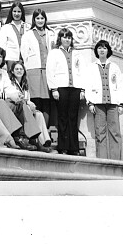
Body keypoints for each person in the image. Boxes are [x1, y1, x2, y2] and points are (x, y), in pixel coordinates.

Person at [46, 27, 86, 155]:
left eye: (69, 37)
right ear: (60, 39)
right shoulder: (54, 53)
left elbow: (82, 72)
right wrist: (54, 89)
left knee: (73, 118)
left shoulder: (77, 54)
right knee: (62, 117)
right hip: (61, 88)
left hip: (75, 89)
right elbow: (50, 71)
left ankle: (73, 147)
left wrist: (82, 90)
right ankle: (62, 146)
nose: (66, 39)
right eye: (64, 37)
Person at [85, 39, 123, 160]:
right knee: (100, 132)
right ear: (96, 50)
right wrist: (90, 102)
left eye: (104, 48)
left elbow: (120, 85)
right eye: (100, 48)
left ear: (108, 51)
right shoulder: (92, 67)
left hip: (113, 104)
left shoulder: (115, 67)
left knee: (115, 132)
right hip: (98, 103)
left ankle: (116, 160)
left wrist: (121, 103)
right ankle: (102, 160)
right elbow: (88, 85)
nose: (102, 50)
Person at [20, 9, 56, 132]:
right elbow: (24, 52)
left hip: (48, 70)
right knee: (36, 99)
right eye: (37, 18)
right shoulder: (28, 34)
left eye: (42, 18)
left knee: (47, 100)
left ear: (45, 19)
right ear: (34, 20)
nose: (40, 21)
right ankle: (36, 131)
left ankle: (44, 130)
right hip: (33, 69)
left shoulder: (51, 33)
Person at [6, 61, 53, 151]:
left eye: (21, 69)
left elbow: (28, 98)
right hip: (16, 107)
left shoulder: (25, 83)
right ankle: (35, 140)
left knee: (39, 114)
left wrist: (30, 104)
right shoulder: (10, 83)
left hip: (25, 105)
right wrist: (28, 103)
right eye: (16, 69)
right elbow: (14, 97)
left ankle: (43, 140)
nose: (19, 71)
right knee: (28, 108)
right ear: (12, 71)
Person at [0, 0, 28, 70]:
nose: (16, 14)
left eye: (19, 11)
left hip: (25, 60)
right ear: (11, 12)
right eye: (14, 11)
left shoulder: (28, 27)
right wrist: (3, 62)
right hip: (10, 59)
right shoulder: (5, 27)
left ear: (22, 13)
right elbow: (2, 46)